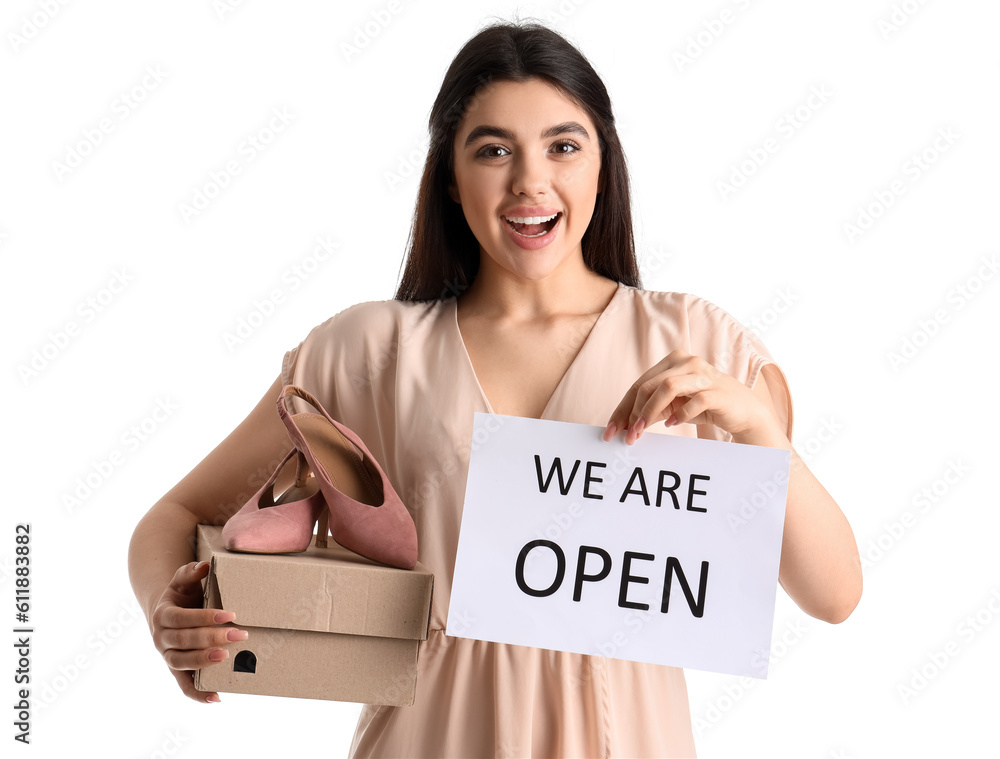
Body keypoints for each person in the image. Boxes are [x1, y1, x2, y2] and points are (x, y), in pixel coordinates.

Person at [128, 18, 862, 758]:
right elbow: (177, 515)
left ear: (604, 163)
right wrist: (169, 611)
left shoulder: (698, 346)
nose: (530, 181)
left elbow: (833, 596)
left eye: (563, 146)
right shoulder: (366, 352)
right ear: (450, 173)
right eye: (494, 150)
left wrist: (761, 431)